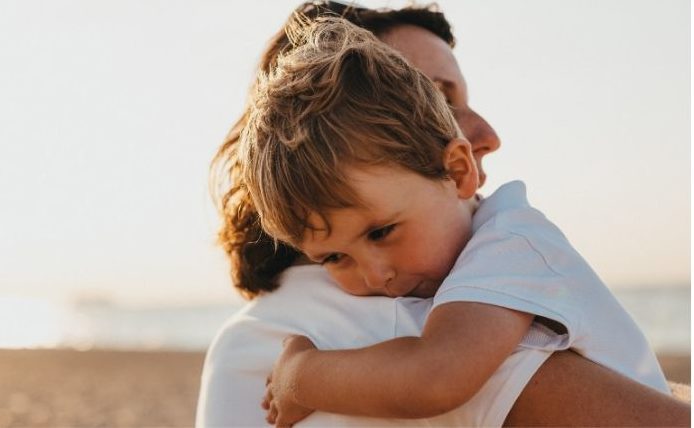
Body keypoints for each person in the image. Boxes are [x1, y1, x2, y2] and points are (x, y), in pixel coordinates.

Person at [196, 3, 690, 427]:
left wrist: (300, 375)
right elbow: (435, 373)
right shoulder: (387, 319)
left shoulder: (499, 248)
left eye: (383, 232)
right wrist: (299, 373)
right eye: (434, 95)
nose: (490, 134)